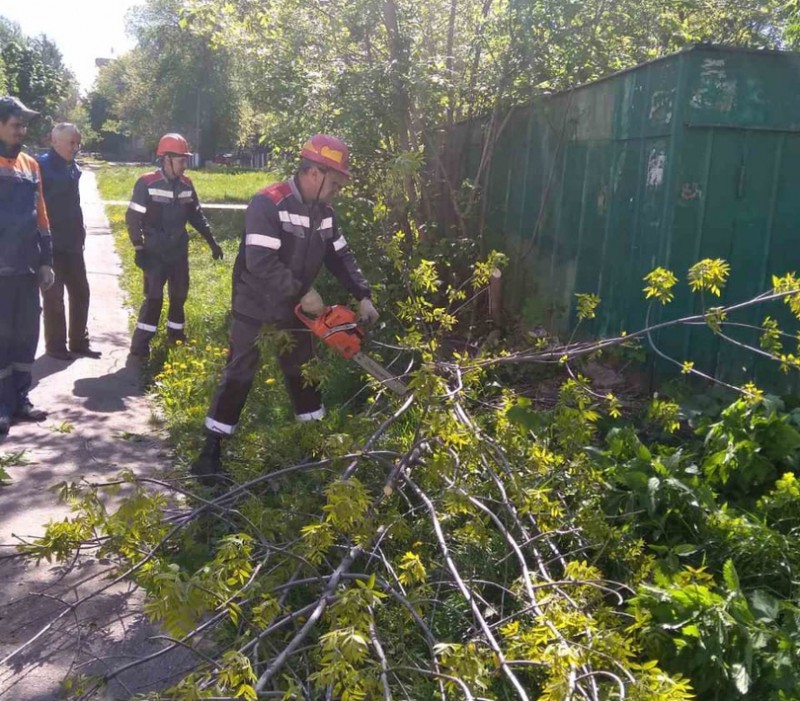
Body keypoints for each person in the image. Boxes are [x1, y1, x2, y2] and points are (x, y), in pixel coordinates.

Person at [191, 134, 379, 479]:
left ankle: (312, 445)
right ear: (314, 173)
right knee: (238, 376)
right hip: (255, 307)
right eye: (334, 181)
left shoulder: (325, 213)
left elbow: (341, 255)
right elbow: (260, 261)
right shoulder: (269, 203)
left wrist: (362, 294)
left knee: (303, 374)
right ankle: (209, 454)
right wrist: (302, 291)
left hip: (293, 311)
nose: (337, 188)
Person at [126, 133, 223, 358]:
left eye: (185, 160)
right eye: (181, 160)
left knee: (179, 296)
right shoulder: (146, 183)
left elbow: (197, 216)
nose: (185, 165)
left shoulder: (187, 185)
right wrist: (138, 247)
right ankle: (140, 346)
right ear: (166, 158)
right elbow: (133, 217)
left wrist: (212, 242)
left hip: (178, 252)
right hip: (154, 254)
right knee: (154, 299)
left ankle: (175, 337)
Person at [0, 96, 55, 435]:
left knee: (25, 335)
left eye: (23, 125)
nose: (22, 130)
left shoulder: (30, 165)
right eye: (15, 124)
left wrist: (46, 260)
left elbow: (42, 215)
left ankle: (20, 398)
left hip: (27, 268)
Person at [38, 123, 101, 360]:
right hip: (51, 243)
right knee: (54, 298)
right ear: (55, 142)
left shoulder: (72, 166)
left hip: (73, 242)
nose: (75, 147)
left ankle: (78, 343)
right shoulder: (41, 166)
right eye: (71, 142)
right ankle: (55, 347)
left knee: (81, 292)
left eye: (77, 142)